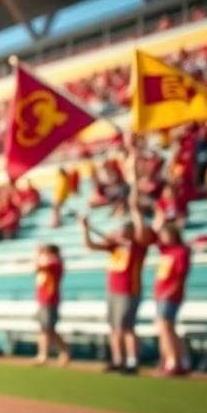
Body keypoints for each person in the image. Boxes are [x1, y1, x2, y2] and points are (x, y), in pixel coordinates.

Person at [80, 152, 153, 374]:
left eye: (123, 229)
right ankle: (117, 359)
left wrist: (134, 207)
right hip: (113, 290)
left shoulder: (137, 246)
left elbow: (141, 230)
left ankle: (132, 361)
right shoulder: (114, 247)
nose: (118, 232)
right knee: (114, 327)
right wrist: (85, 228)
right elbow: (91, 246)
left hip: (129, 291)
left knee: (126, 327)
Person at [152, 222, 191, 376]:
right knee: (164, 328)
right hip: (160, 295)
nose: (163, 237)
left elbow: (180, 276)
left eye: (165, 234)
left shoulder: (181, 252)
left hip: (170, 296)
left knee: (166, 327)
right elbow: (153, 238)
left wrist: (170, 292)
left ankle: (173, 362)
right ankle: (169, 360)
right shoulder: (165, 251)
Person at [33, 244, 70, 366]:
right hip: (43, 300)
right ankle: (46, 354)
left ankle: (47, 354)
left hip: (50, 300)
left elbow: (37, 267)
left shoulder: (55, 264)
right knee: (46, 329)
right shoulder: (52, 264)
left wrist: (37, 255)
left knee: (48, 329)